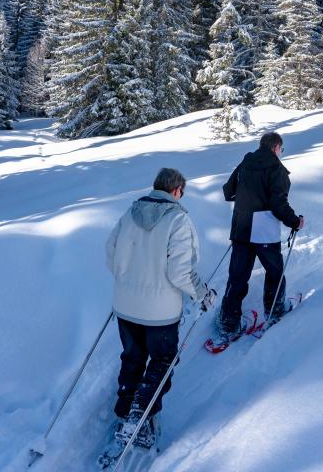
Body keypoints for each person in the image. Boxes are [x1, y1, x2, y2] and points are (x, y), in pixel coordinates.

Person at [105, 168, 215, 449]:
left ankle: (124, 413)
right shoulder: (178, 219)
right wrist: (202, 293)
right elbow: (180, 272)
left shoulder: (130, 213)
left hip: (125, 306)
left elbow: (111, 252)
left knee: (132, 357)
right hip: (160, 311)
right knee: (162, 361)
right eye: (182, 192)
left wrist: (128, 279)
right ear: (176, 190)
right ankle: (140, 417)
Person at [218, 131, 304, 339]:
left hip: (241, 226)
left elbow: (228, 192)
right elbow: (278, 204)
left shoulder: (245, 162)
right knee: (274, 271)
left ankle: (229, 322)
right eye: (281, 150)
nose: (281, 153)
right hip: (264, 229)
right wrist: (295, 221)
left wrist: (248, 198)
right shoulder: (277, 169)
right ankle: (274, 310)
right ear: (275, 147)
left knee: (238, 274)